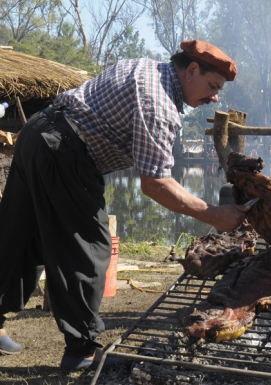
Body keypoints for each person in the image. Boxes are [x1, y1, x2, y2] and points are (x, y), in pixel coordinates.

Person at [0, 39, 249, 370]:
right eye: (212, 86)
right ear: (191, 70)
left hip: (37, 133)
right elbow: (155, 184)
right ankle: (81, 351)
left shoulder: (144, 66)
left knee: (18, 237)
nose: (214, 97)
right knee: (88, 248)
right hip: (66, 151)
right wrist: (214, 214)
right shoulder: (158, 104)